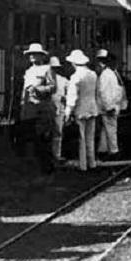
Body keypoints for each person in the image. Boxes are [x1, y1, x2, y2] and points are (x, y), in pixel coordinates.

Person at [20, 43, 56, 183]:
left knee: (43, 141)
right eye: (31, 54)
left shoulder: (48, 69)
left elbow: (53, 87)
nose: (32, 56)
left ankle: (47, 172)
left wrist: (38, 89)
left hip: (42, 109)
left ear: (42, 56)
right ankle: (36, 173)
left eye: (35, 54)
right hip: (28, 109)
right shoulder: (29, 71)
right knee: (32, 142)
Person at [64, 50, 99, 172]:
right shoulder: (93, 74)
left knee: (81, 138)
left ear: (74, 63)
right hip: (92, 107)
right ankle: (92, 163)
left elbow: (72, 97)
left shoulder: (76, 77)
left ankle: (83, 165)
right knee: (90, 137)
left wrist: (68, 112)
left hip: (80, 109)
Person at [96, 50, 126, 159]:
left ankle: (102, 149)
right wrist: (109, 106)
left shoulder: (112, 73)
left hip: (114, 105)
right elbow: (103, 92)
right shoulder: (106, 74)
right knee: (111, 129)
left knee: (106, 129)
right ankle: (114, 151)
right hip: (109, 106)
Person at [50, 56, 69, 163]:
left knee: (58, 133)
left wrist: (65, 99)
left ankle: (56, 154)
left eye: (55, 68)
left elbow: (70, 93)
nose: (54, 70)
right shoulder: (44, 79)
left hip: (59, 109)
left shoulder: (63, 80)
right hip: (47, 109)